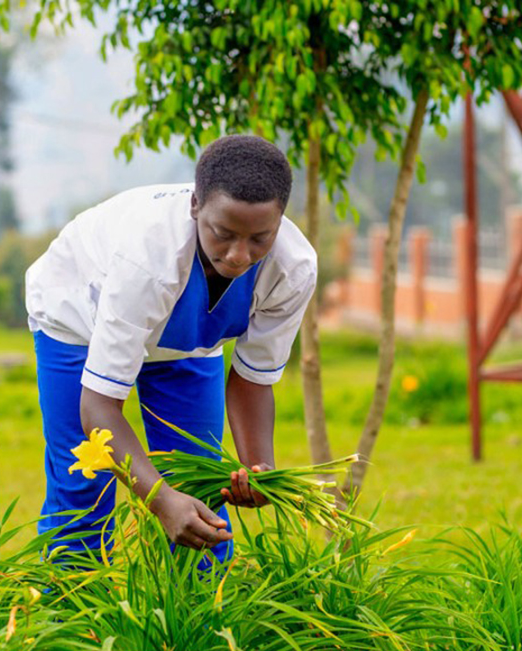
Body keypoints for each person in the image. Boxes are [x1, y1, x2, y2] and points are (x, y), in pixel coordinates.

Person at [24, 134, 316, 564]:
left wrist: (259, 471)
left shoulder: (294, 268)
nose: (239, 255)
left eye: (260, 238)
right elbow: (98, 409)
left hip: (186, 346)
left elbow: (253, 381)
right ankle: (70, 619)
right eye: (223, 233)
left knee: (199, 486)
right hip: (78, 323)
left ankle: (197, 623)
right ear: (195, 205)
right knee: (86, 487)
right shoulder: (148, 258)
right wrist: (160, 499)